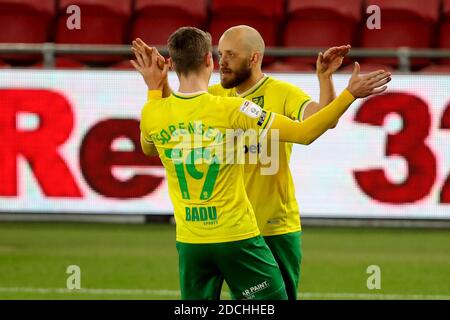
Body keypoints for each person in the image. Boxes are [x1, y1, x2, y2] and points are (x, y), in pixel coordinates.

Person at [136, 26, 390, 300]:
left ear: (254, 58)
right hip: (235, 229)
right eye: (219, 54)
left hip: (272, 225)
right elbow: (179, 112)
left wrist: (326, 79)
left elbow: (320, 121)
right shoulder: (217, 99)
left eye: (230, 55)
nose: (223, 62)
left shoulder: (281, 93)